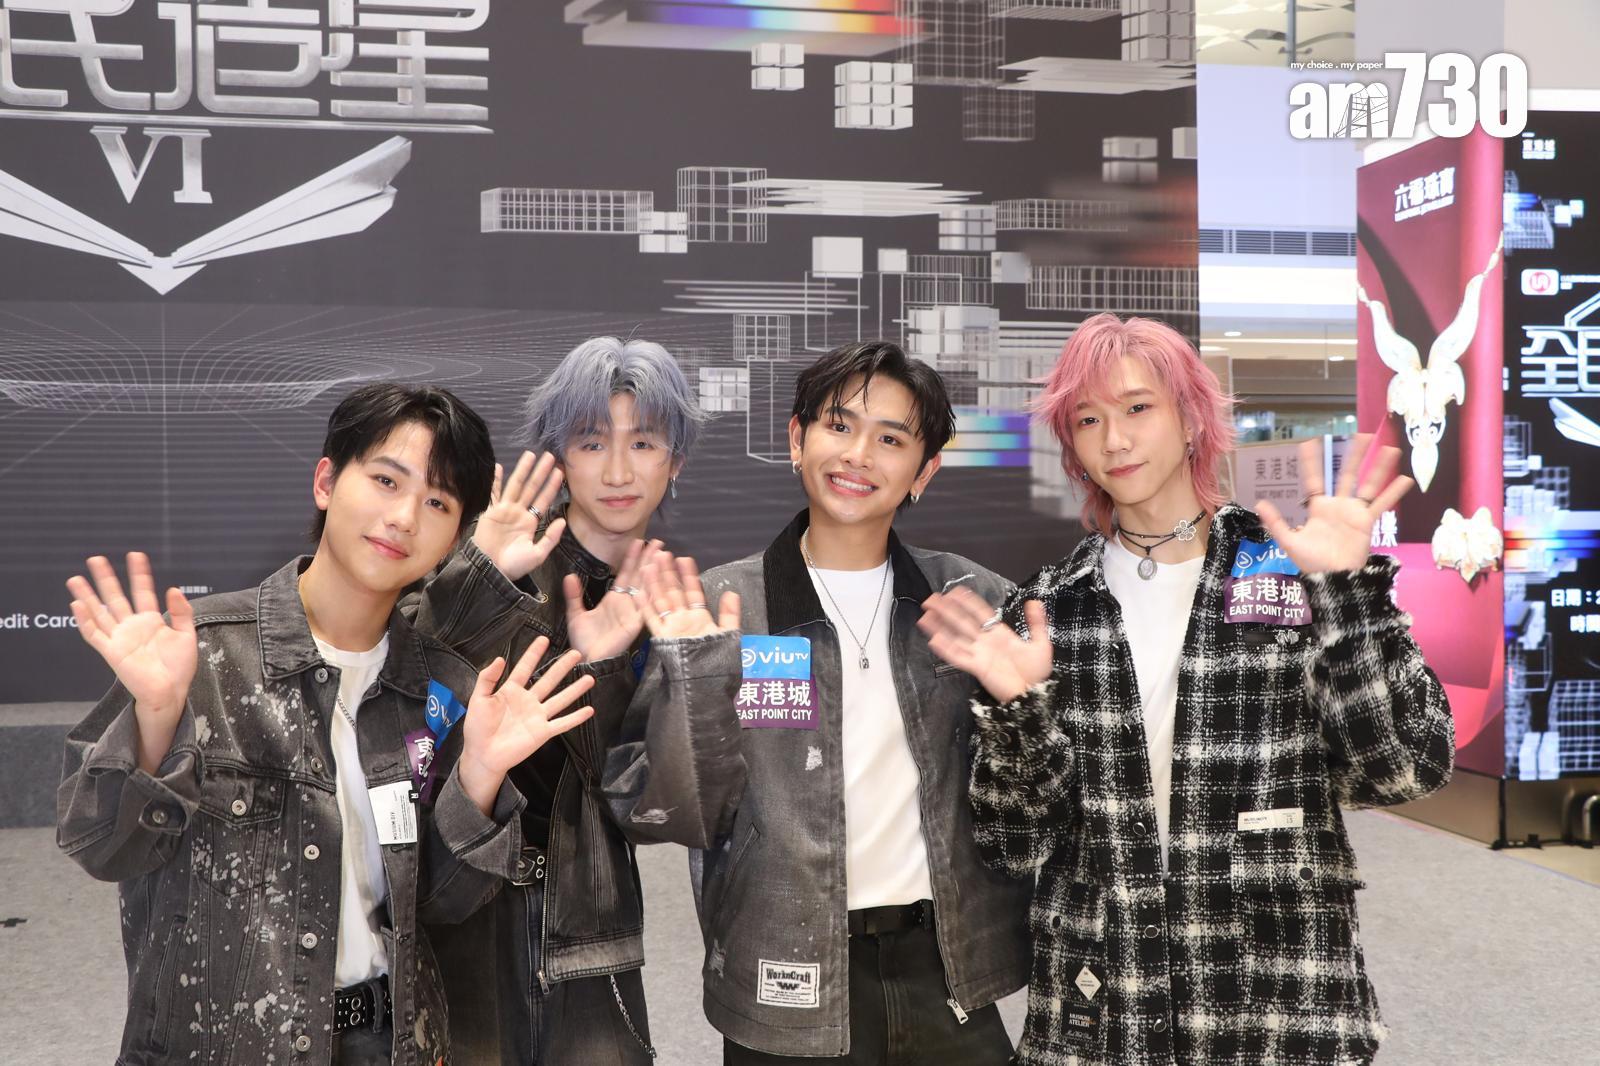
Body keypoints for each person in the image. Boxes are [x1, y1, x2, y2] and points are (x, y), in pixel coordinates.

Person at [918, 313, 1454, 1066]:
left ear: (1192, 418)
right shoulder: (1049, 609)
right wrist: (1018, 714)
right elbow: (1014, 844)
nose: (1115, 439)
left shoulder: (1290, 573)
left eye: (1138, 407)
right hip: (1104, 1010)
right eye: (1088, 419)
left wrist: (1345, 595)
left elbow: (1403, 770)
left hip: (1278, 1003)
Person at [57, 383, 597, 1065]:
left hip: (389, 1044)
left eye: (437, 503)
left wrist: (482, 777)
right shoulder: (202, 654)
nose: (403, 517)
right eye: (385, 480)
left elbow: (440, 905)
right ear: (325, 482)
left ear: (453, 540)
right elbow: (98, 846)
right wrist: (158, 718)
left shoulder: (441, 689)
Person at [603, 340, 1031, 1064]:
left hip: (947, 972)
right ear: (797, 439)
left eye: (890, 439)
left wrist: (1024, 700)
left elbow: (1032, 801)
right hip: (784, 972)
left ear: (923, 472)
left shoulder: (971, 600)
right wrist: (698, 678)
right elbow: (659, 809)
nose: (858, 454)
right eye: (839, 426)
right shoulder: (721, 607)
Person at [408, 336, 704, 1064]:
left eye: (643, 443)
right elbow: (403, 700)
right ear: (559, 454)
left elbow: (647, 807)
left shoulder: (672, 603)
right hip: (459, 911)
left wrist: (611, 667)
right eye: (592, 442)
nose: (618, 470)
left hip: (590, 938)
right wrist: (478, 579)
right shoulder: (496, 554)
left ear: (675, 461)